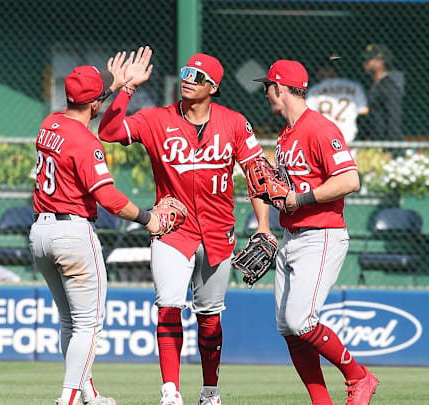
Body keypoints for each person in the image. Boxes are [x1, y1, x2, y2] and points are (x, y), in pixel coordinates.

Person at [99, 47, 272, 405]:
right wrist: (126, 89)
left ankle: (210, 391)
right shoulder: (156, 119)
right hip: (172, 228)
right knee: (168, 305)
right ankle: (170, 391)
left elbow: (257, 177)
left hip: (218, 230)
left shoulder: (235, 123)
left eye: (198, 77)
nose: (188, 80)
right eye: (185, 74)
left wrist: (264, 227)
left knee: (209, 318)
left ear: (213, 87)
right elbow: (110, 130)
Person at [30, 62, 174, 405]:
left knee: (71, 322)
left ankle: (88, 393)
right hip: (73, 234)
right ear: (96, 104)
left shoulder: (50, 122)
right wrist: (148, 218)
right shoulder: (85, 142)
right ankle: (67, 399)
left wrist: (118, 87)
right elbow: (109, 199)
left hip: (40, 232)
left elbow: (86, 103)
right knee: (88, 325)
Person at [253, 60, 379, 405]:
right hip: (291, 236)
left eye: (267, 86)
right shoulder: (285, 136)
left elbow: (350, 180)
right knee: (288, 328)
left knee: (301, 320)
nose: (265, 93)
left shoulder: (319, 128)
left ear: (280, 87)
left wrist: (300, 197)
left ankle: (359, 377)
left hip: (320, 233)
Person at [305, 62, 368, 145]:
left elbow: (308, 115)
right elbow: (363, 111)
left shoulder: (315, 89)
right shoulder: (354, 86)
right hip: (349, 135)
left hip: (324, 136)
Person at [360, 43, 403, 142]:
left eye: (369, 60)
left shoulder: (389, 85)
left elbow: (394, 118)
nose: (365, 63)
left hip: (388, 144)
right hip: (377, 141)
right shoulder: (375, 85)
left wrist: (390, 148)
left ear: (381, 62)